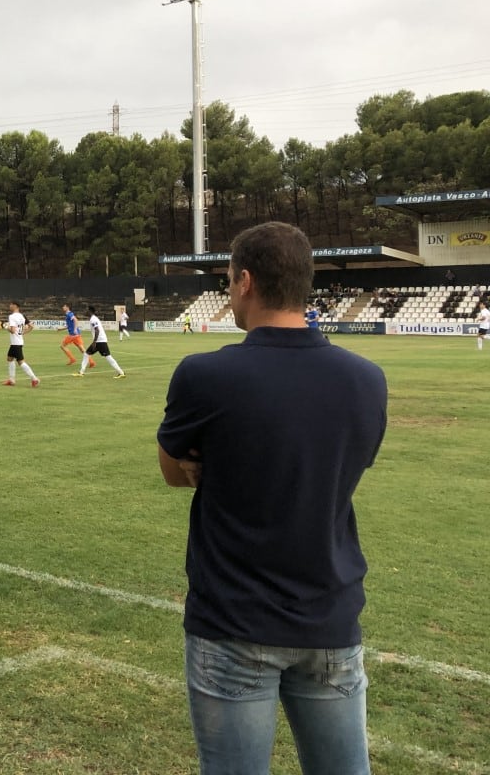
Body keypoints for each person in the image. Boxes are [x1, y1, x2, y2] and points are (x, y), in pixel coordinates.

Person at [156, 221, 387, 775]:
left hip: (232, 625)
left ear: (244, 283)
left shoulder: (205, 374)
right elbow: (345, 465)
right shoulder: (367, 379)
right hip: (329, 620)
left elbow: (172, 468)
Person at [74, 305, 125, 379]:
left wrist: (94, 342)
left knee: (108, 357)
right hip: (99, 341)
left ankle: (121, 373)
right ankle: (81, 372)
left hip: (100, 341)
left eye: (86, 310)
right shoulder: (93, 319)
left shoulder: (93, 319)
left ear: (90, 311)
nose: (85, 311)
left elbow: (97, 330)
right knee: (87, 354)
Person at [3, 300, 40, 388]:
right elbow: (31, 326)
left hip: (16, 342)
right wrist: (23, 333)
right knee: (10, 358)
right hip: (18, 341)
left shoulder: (12, 316)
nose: (9, 306)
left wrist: (6, 327)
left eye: (11, 305)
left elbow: (12, 331)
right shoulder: (22, 316)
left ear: (15, 306)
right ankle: (11, 380)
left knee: (21, 362)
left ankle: (34, 379)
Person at [59, 302, 92, 368]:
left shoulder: (69, 314)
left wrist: (74, 329)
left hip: (73, 335)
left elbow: (76, 320)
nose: (63, 307)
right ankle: (91, 362)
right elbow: (69, 325)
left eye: (64, 306)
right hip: (77, 334)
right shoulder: (68, 314)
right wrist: (61, 329)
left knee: (62, 346)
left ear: (67, 307)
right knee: (82, 349)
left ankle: (72, 359)